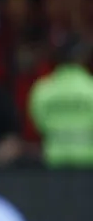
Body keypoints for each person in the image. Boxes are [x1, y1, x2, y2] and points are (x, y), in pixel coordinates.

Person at [28, 37, 93, 167]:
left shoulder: (42, 89)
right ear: (82, 58)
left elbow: (37, 124)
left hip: (53, 161)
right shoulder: (90, 87)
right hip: (88, 162)